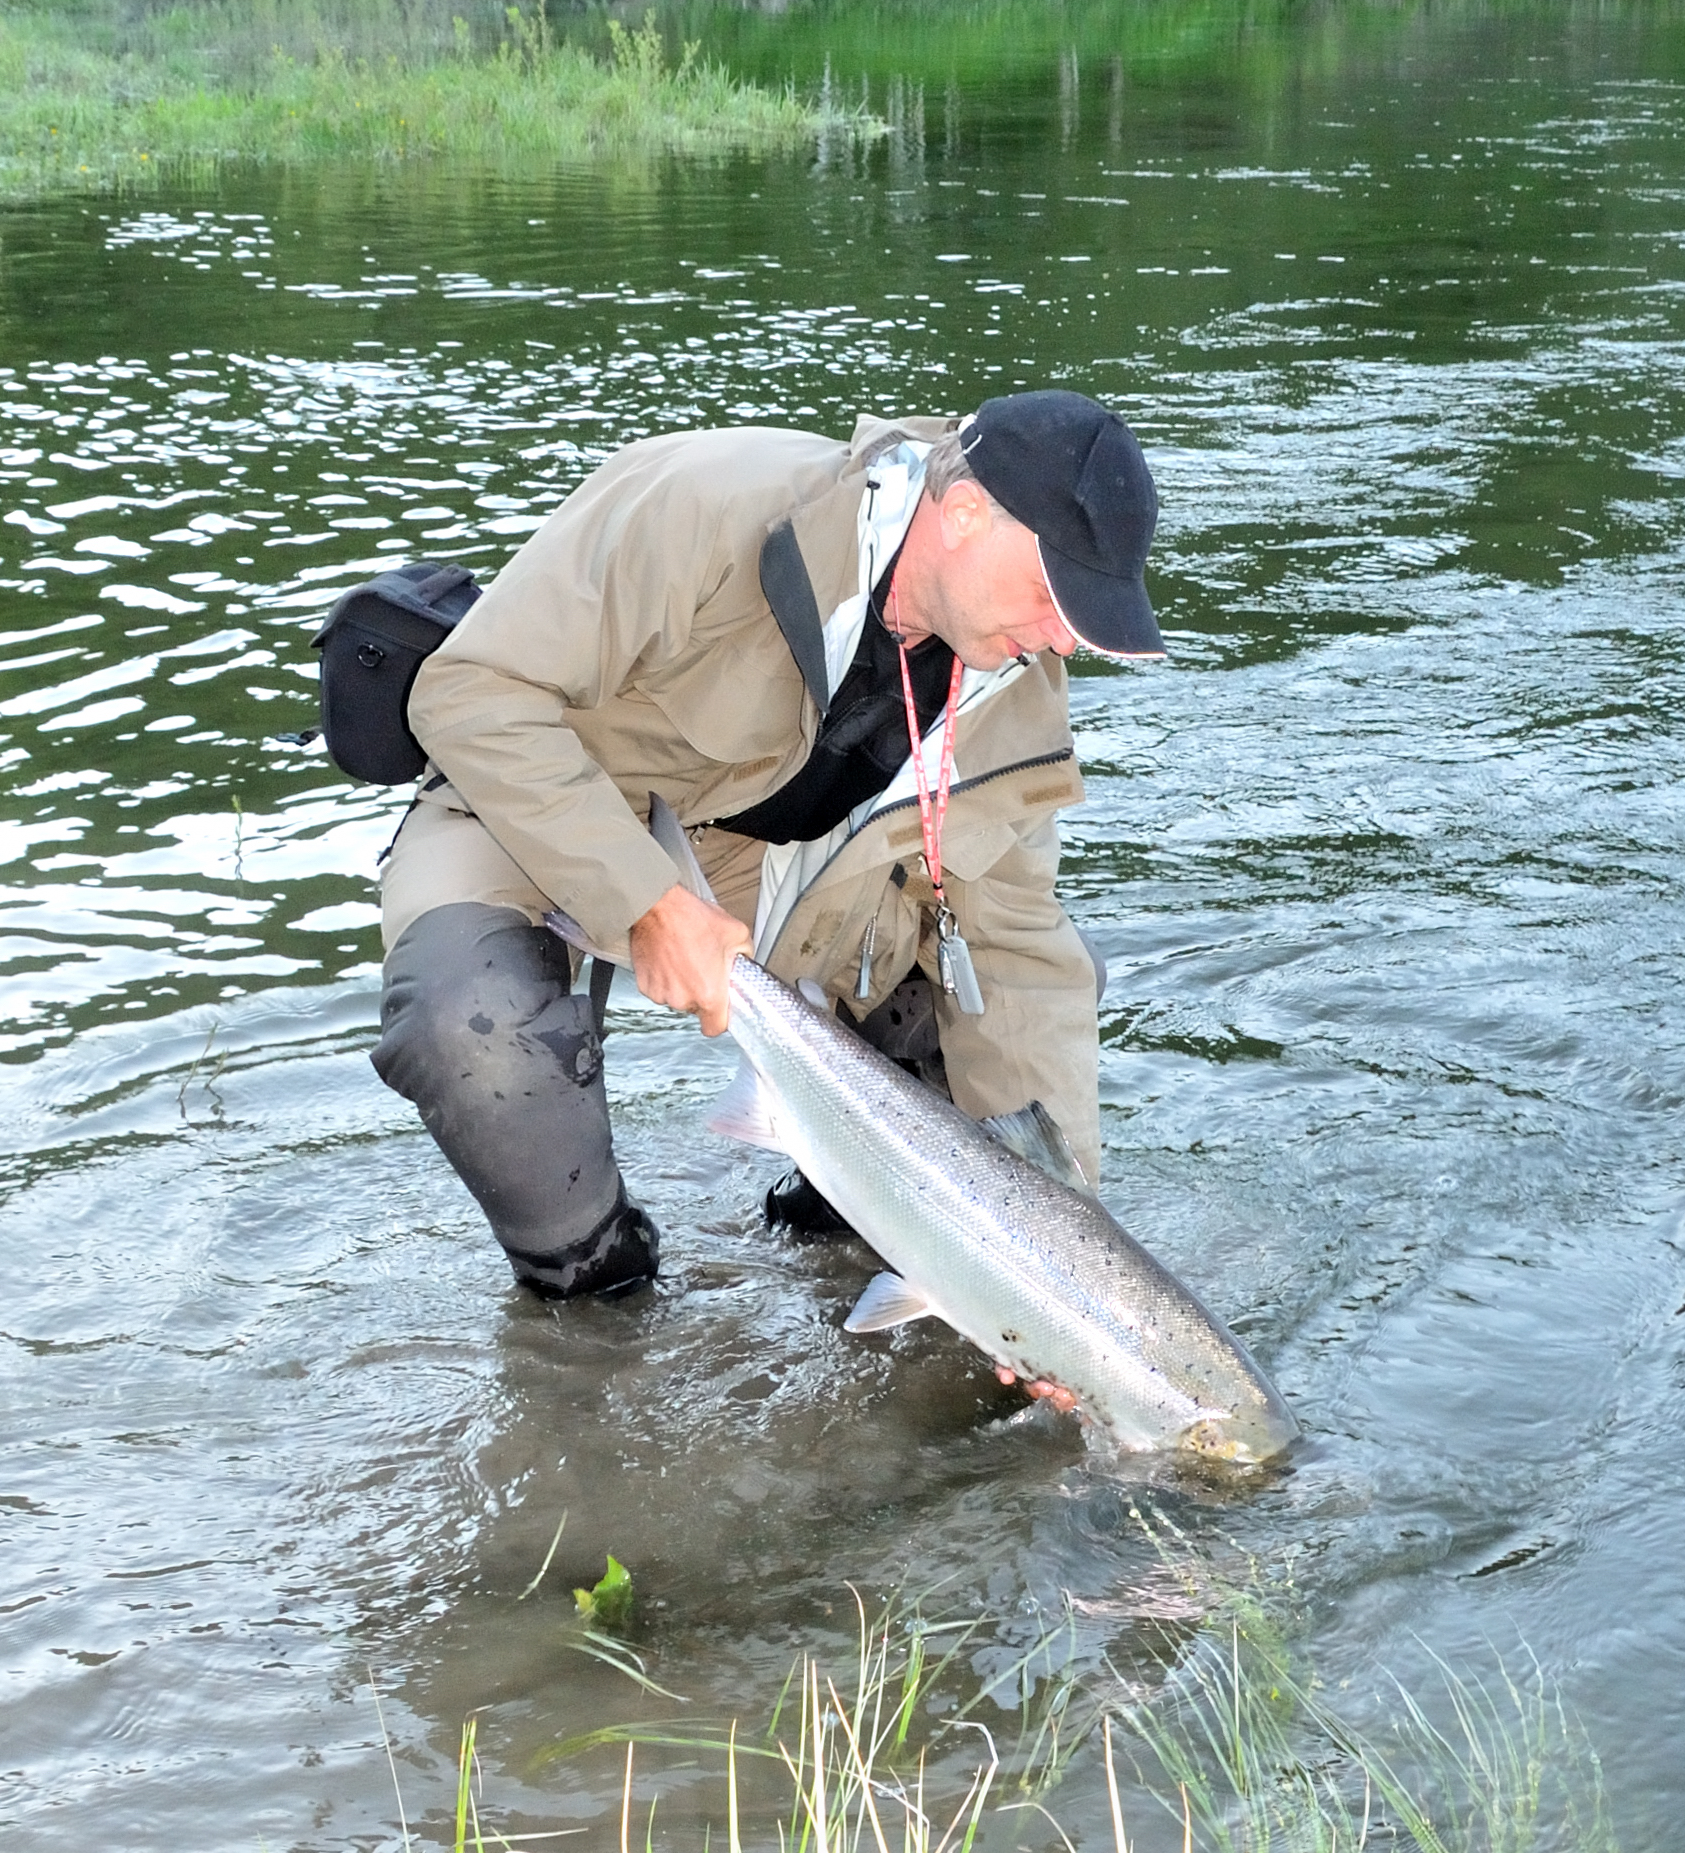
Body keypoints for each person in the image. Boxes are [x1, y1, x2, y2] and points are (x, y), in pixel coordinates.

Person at [373, 392, 1164, 1298]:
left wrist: (1065, 1272)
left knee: (1003, 989)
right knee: (465, 1018)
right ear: (964, 513)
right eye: (1056, 594)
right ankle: (595, 1289)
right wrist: (646, 900)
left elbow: (1019, 954)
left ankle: (854, 1218)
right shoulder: (706, 499)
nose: (1063, 638)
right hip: (536, 799)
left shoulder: (1016, 682)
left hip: (774, 873)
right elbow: (471, 691)